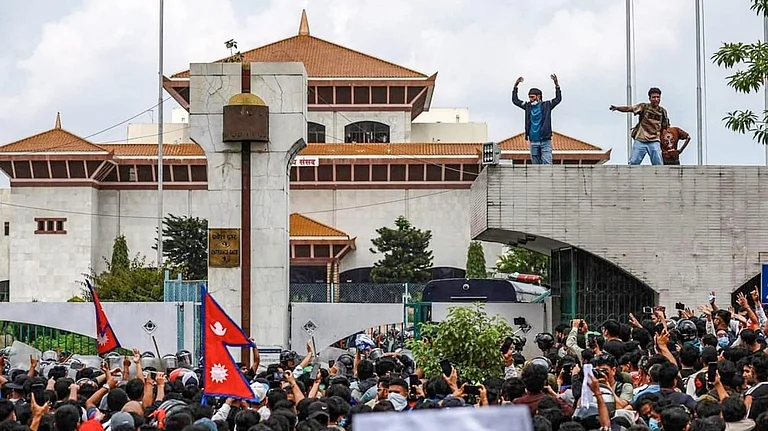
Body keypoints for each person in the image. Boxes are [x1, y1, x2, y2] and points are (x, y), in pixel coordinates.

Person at [610, 87, 669, 165]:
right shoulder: (644, 107)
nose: (656, 99)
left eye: (658, 97)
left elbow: (665, 128)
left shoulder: (662, 111)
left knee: (658, 162)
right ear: (650, 98)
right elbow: (629, 109)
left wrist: (664, 143)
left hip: (654, 140)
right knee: (633, 162)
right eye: (653, 97)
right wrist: (617, 108)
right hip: (641, 139)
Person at [512, 74, 562, 165]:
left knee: (547, 164)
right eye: (529, 97)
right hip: (533, 141)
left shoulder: (547, 105)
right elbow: (515, 101)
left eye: (532, 97)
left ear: (538, 97)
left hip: (545, 140)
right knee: (535, 166)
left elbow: (558, 99)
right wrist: (515, 86)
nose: (531, 99)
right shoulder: (528, 106)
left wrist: (557, 85)